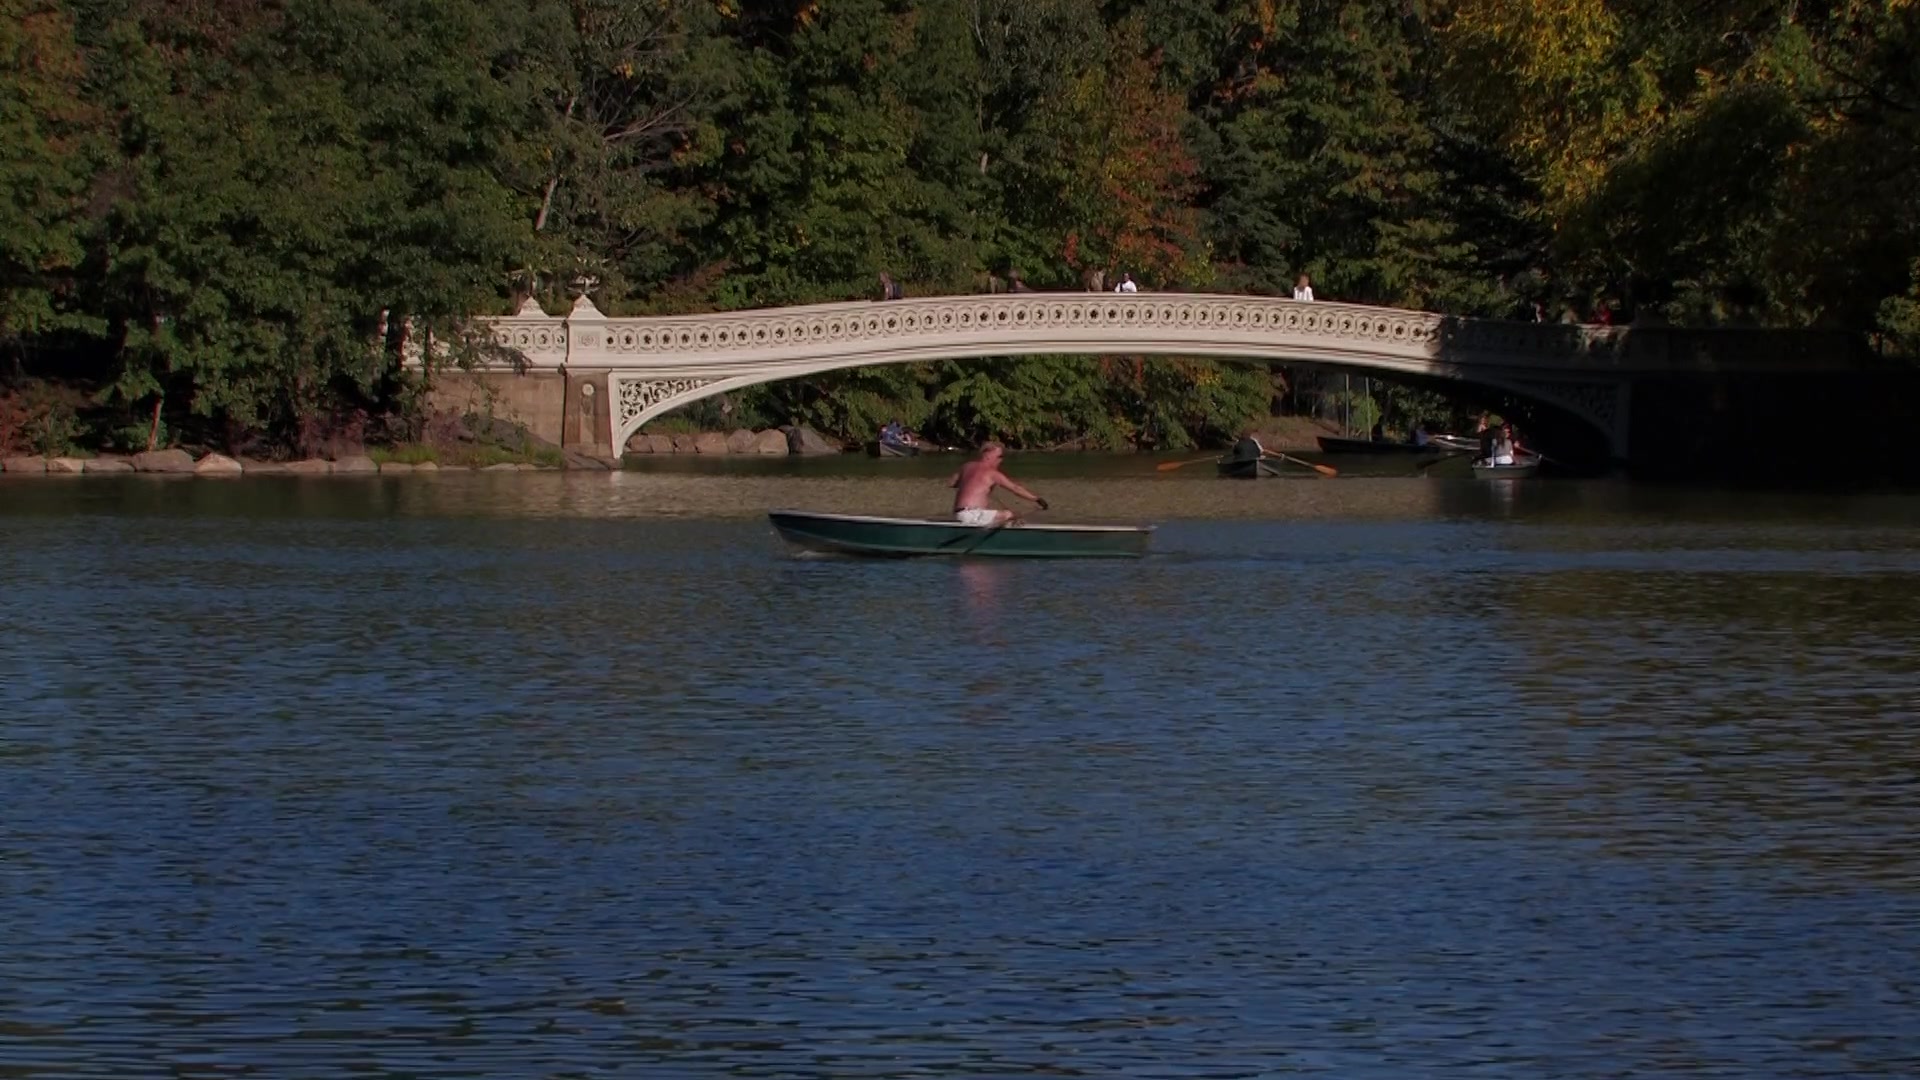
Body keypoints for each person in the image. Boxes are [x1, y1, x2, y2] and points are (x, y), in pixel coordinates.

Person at [949, 443, 1046, 526]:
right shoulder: (992, 473)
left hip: (958, 514)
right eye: (999, 457)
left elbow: (952, 483)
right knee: (1012, 514)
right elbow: (1015, 488)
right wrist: (1037, 499)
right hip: (973, 514)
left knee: (1002, 517)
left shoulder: (966, 466)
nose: (1001, 460)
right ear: (987, 456)